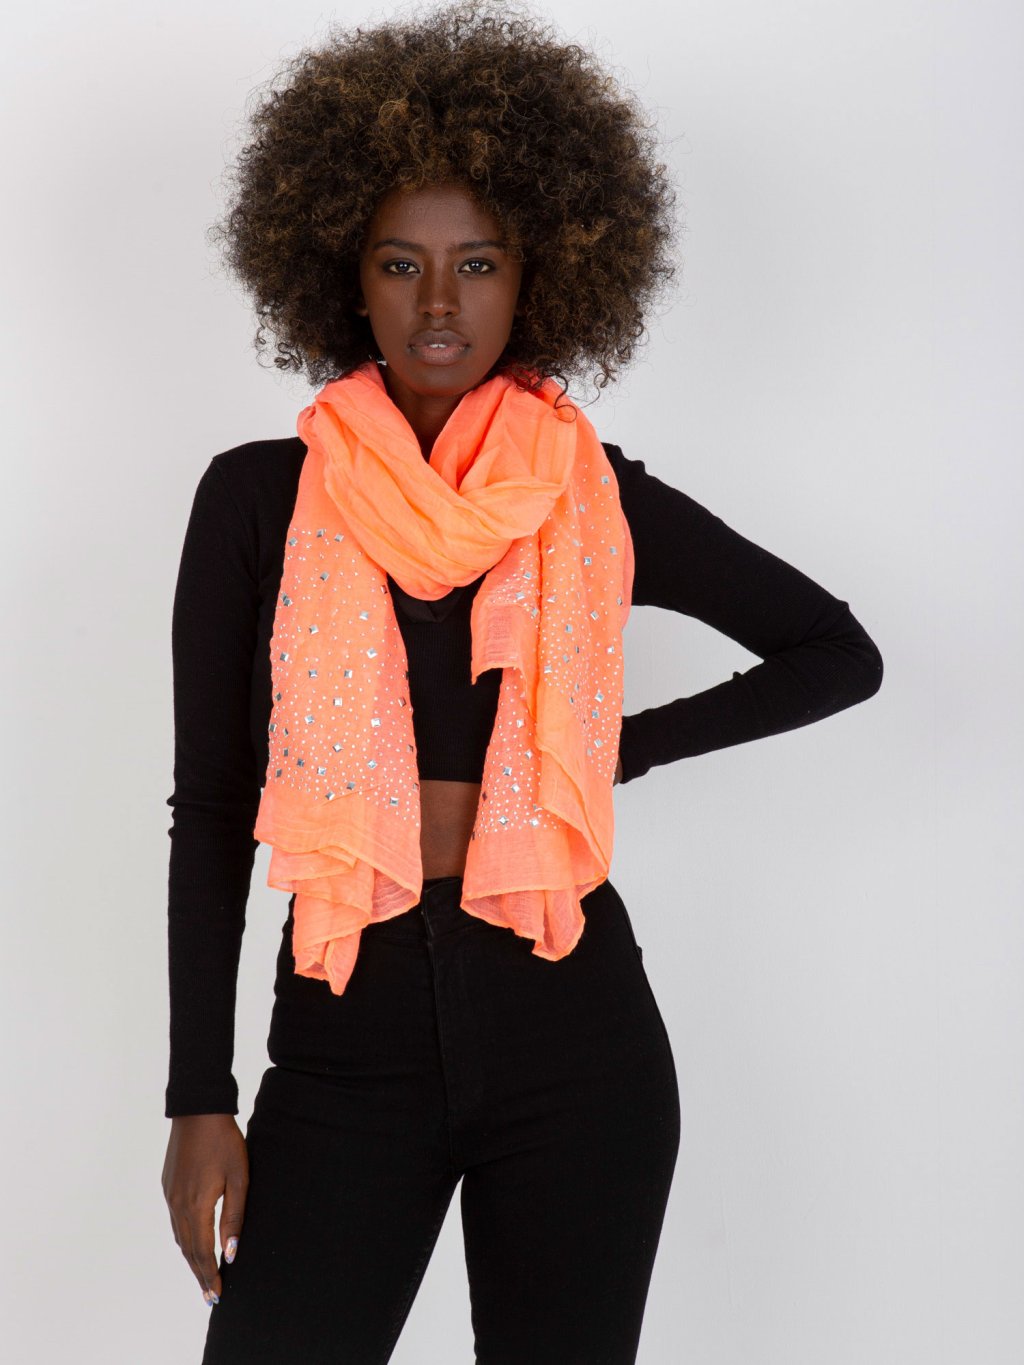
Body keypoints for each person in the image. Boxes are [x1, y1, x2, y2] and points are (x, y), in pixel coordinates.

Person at [160, 3, 884, 1361]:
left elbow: (837, 653)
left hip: (574, 1028)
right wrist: (198, 1095)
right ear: (344, 276)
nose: (439, 302)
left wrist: (615, 746)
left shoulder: (587, 494)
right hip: (345, 1032)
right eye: (401, 263)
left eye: (478, 263)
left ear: (536, 276)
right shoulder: (260, 498)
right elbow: (211, 809)